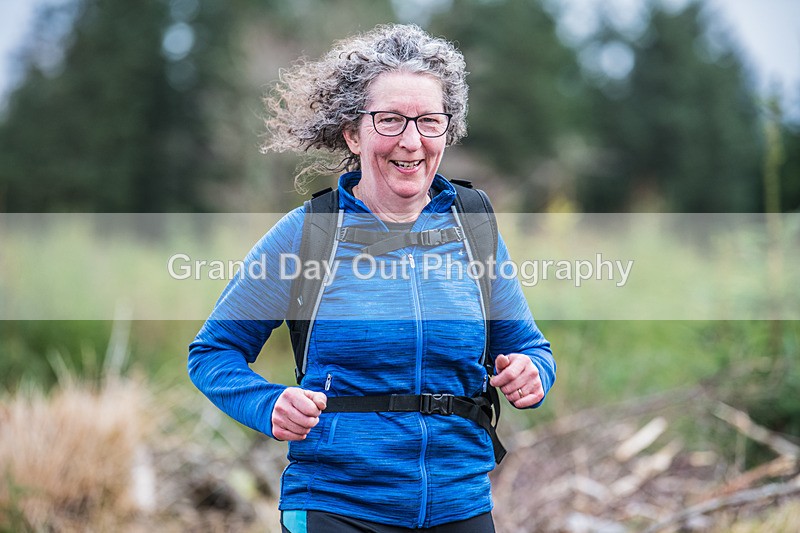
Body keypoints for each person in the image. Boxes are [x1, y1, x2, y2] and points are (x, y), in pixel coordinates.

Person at [189, 23, 555, 533]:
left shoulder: (473, 225)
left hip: (461, 505)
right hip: (336, 506)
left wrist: (532, 374)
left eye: (429, 121)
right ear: (352, 132)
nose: (411, 141)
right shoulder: (307, 235)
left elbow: (531, 348)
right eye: (389, 120)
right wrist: (267, 404)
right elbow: (212, 353)